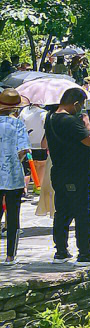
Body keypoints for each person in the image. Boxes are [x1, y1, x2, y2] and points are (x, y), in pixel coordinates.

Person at [44, 87, 90, 265]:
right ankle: (85, 252)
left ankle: (61, 251)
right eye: (82, 105)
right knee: (84, 212)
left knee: (62, 211)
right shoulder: (70, 121)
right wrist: (87, 124)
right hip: (77, 172)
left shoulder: (50, 118)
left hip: (59, 171)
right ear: (76, 103)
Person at [0, 89, 31, 263]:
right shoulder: (18, 124)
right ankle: (10, 255)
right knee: (13, 216)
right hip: (12, 175)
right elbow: (23, 150)